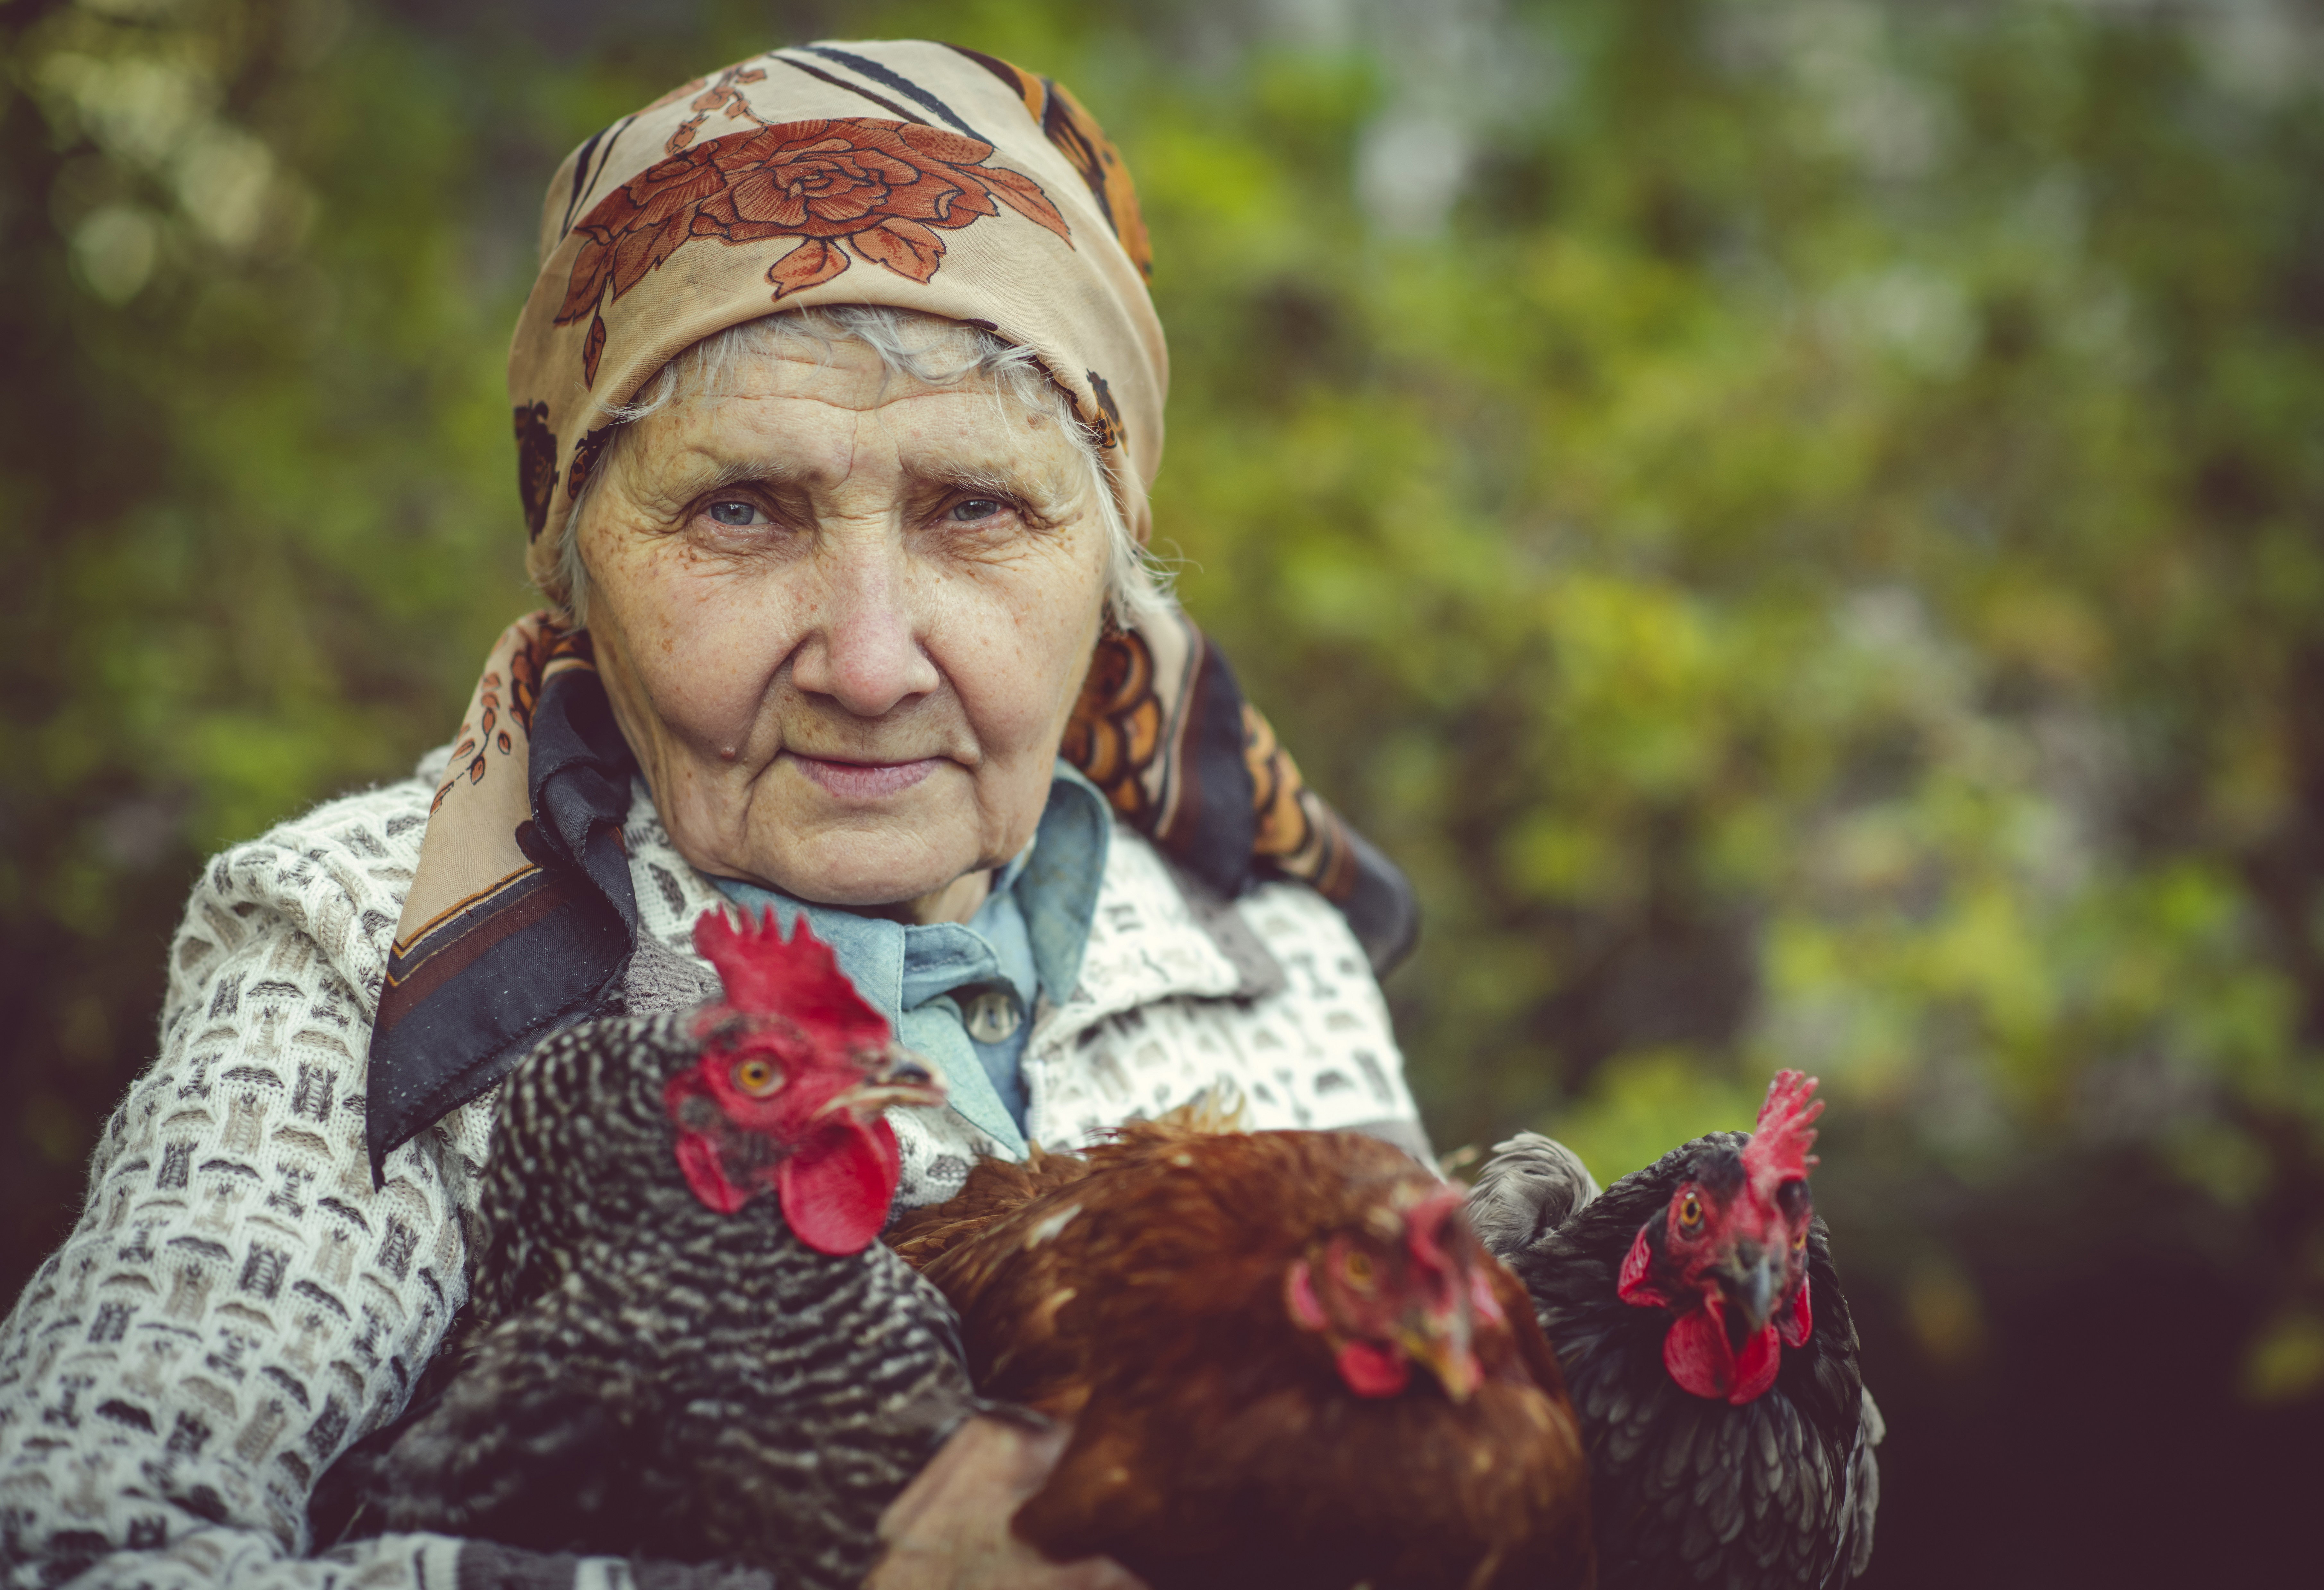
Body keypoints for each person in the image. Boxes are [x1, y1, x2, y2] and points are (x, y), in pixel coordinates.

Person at [0, 41, 1425, 1590]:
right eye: (739, 509)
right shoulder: (361, 954)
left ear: (1112, 564)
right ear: (575, 556)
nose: (871, 665)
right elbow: (74, 1549)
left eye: (979, 510)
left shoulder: (1266, 956)